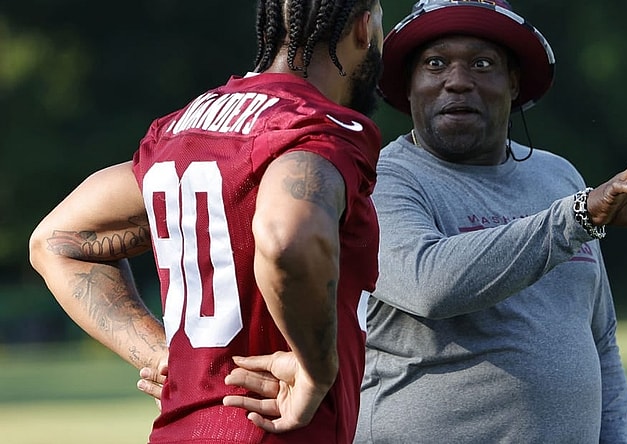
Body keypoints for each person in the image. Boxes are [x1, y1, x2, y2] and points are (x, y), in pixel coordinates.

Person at [28, 0, 385, 442]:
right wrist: (315, 369)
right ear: (364, 28)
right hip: (272, 429)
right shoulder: (317, 126)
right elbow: (286, 237)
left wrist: (160, 354)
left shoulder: (185, 127)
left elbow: (56, 241)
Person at [344, 0, 627, 443]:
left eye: (482, 64)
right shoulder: (379, 178)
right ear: (409, 86)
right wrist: (578, 216)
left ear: (512, 83)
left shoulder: (559, 177)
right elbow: (427, 283)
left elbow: (599, 339)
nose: (457, 81)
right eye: (435, 64)